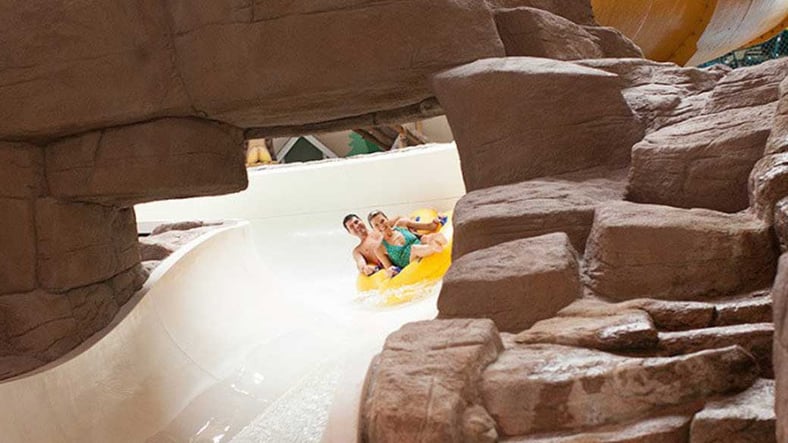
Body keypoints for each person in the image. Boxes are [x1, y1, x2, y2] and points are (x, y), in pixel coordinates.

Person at [367, 210, 448, 271]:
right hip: (411, 262)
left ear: (387, 219)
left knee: (426, 238)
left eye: (382, 221)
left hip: (421, 245)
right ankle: (433, 247)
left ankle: (443, 243)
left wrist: (437, 220)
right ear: (373, 229)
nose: (381, 225)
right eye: (376, 225)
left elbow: (429, 226)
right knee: (414, 248)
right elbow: (390, 268)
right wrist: (391, 271)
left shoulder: (402, 224)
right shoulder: (379, 248)